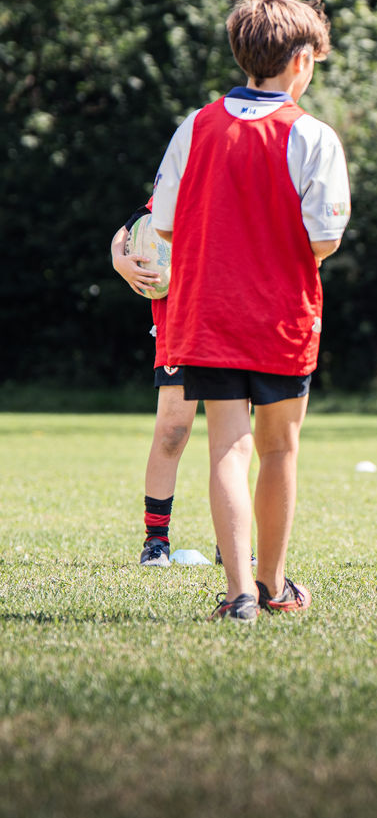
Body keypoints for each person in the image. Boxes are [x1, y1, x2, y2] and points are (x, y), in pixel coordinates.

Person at [151, 0, 351, 622]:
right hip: (281, 319)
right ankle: (273, 586)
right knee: (279, 450)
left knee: (226, 449)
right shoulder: (312, 136)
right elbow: (324, 239)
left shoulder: (195, 126)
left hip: (205, 315)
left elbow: (165, 224)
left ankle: (237, 594)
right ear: (302, 61)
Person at [110, 200, 198, 567]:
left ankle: (234, 542)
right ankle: (156, 540)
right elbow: (133, 225)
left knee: (234, 438)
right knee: (172, 431)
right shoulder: (182, 162)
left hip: (232, 315)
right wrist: (118, 257)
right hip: (181, 319)